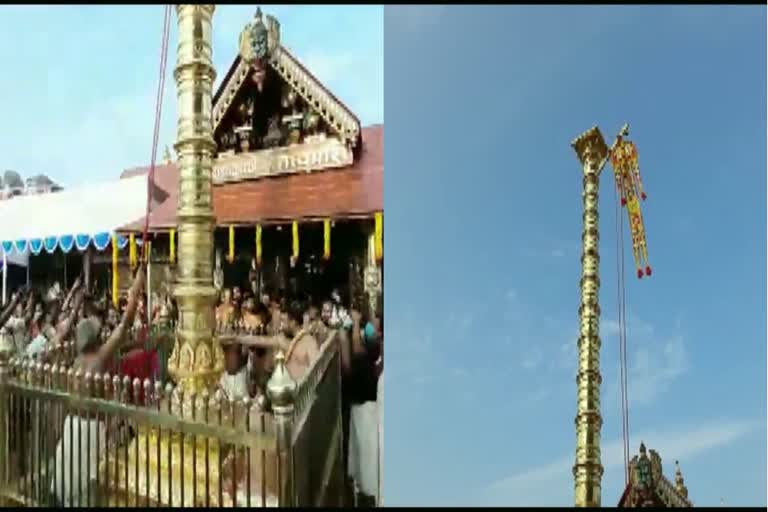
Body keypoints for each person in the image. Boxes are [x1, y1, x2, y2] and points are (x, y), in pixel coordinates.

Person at [50, 266, 145, 507]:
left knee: (68, 482)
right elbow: (124, 326)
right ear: (95, 339)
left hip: (71, 427)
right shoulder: (98, 359)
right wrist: (137, 286)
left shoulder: (76, 361)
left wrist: (78, 297)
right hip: (88, 432)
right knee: (84, 489)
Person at [341, 308, 382, 506]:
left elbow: (358, 355)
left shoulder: (371, 347)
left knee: (369, 460)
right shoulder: (371, 340)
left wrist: (356, 324)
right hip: (363, 408)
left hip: (369, 410)